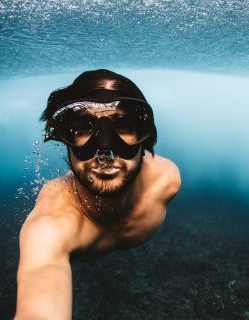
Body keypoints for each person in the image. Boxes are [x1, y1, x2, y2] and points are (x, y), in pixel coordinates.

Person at [14, 69, 181, 320]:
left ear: (144, 138)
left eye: (124, 125)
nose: (105, 151)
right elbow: (41, 278)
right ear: (64, 138)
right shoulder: (51, 226)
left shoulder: (166, 181)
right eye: (82, 128)